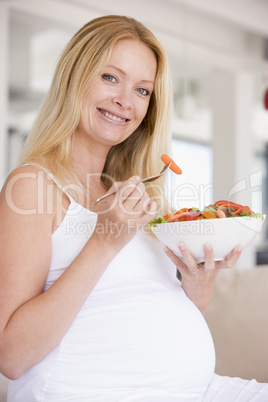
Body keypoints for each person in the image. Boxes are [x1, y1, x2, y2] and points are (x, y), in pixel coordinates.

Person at [0, 15, 267, 402]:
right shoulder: (32, 185)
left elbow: (143, 308)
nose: (126, 101)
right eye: (110, 78)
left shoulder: (139, 197)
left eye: (143, 90)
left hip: (197, 390)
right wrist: (104, 242)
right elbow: (11, 356)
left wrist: (197, 287)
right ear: (75, 77)